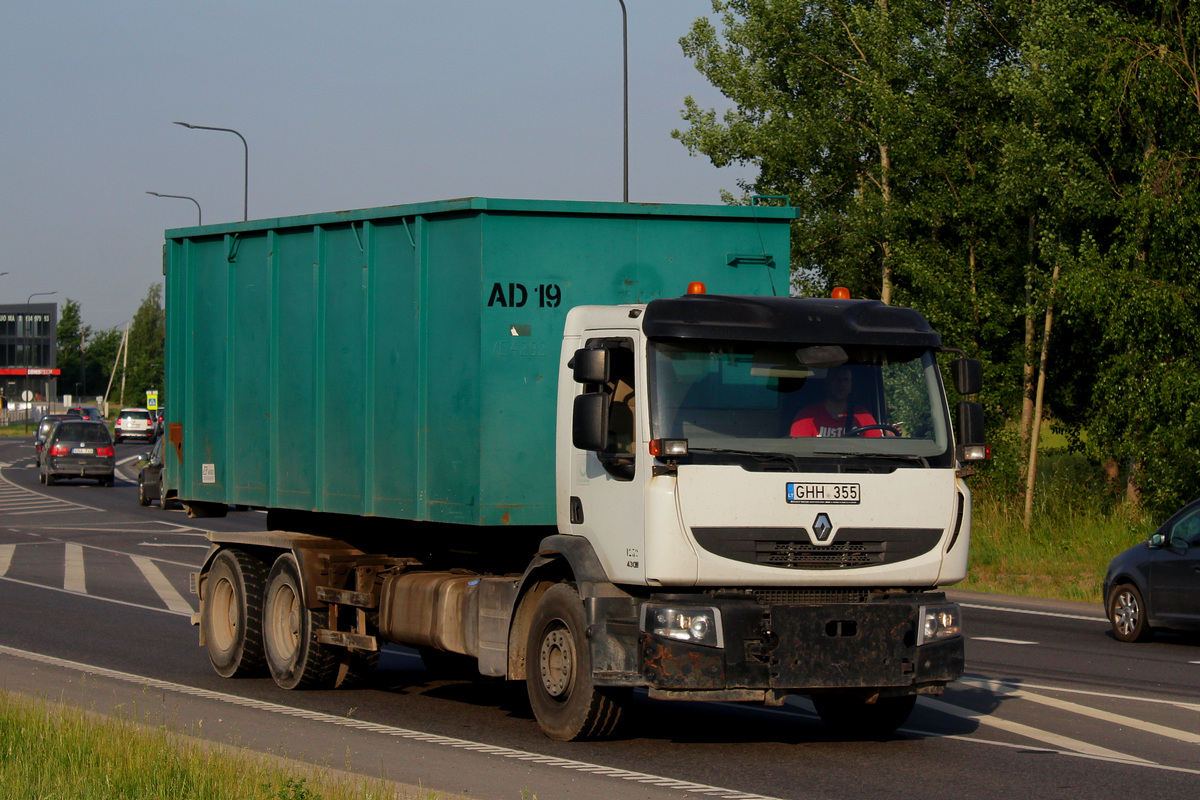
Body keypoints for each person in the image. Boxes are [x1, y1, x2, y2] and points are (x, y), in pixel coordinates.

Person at [789, 365, 882, 438]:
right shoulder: (807, 415)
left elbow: (877, 448)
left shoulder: (863, 416)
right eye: (836, 379)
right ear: (827, 383)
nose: (841, 384)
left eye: (846, 380)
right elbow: (799, 449)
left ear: (851, 386)